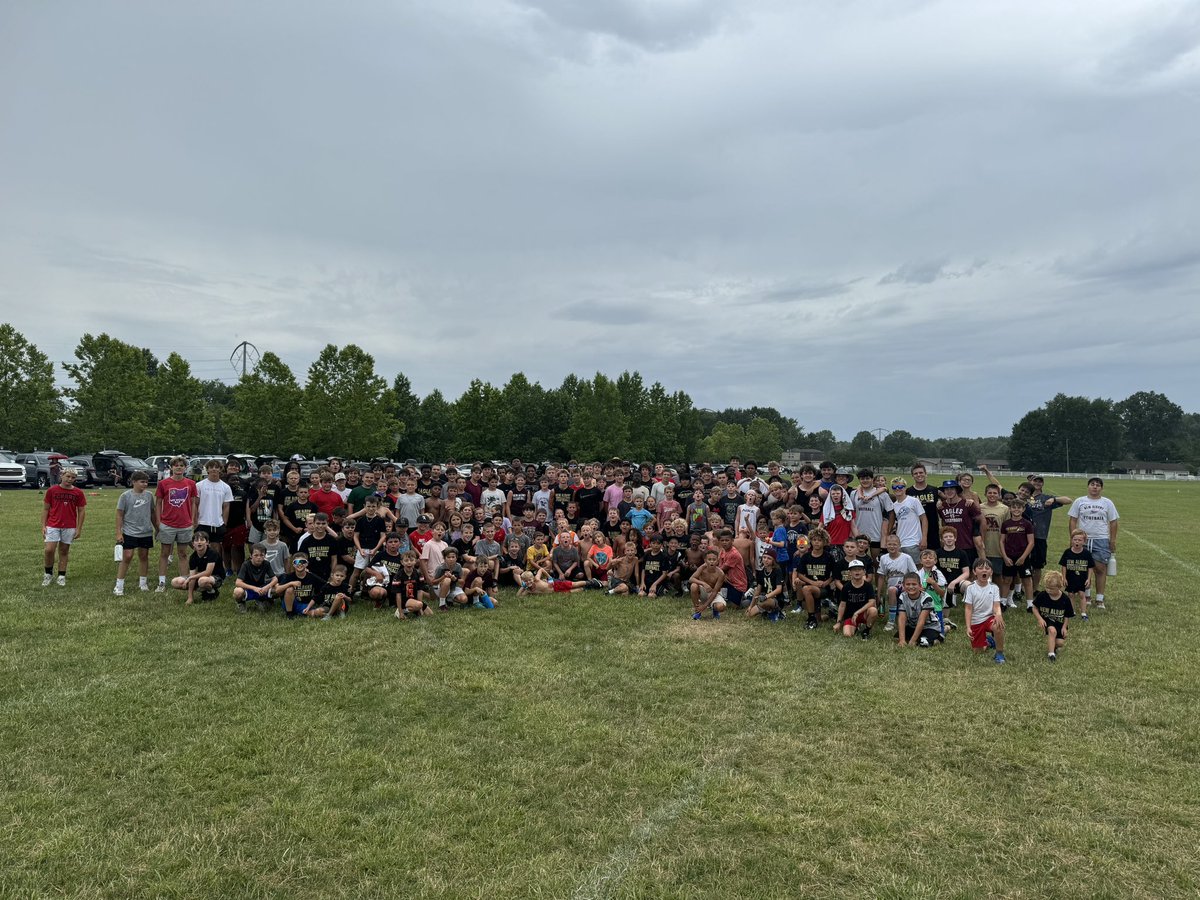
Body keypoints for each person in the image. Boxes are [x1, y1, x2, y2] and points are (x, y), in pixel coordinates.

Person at [1068, 477, 1119, 610]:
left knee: (1100, 569)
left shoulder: (1107, 502)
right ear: (1088, 487)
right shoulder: (1080, 501)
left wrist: (1112, 540)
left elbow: (1113, 522)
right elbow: (1073, 519)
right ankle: (1087, 597)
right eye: (1092, 484)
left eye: (1098, 485)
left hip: (1101, 539)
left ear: (1101, 488)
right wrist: (1073, 537)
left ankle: (1100, 599)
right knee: (1083, 568)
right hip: (1083, 539)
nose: (1095, 487)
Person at [155, 456, 198, 591]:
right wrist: (158, 522)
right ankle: (161, 582)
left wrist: (193, 520)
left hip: (184, 524)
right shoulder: (163, 483)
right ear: (171, 467)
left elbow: (193, 503)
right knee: (165, 553)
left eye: (181, 465)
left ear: (185, 468)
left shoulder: (191, 483)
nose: (178, 467)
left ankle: (184, 580)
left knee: (183, 553)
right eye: (176, 465)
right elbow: (158, 503)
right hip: (167, 523)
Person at [41, 467, 87, 587]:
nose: (70, 479)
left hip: (69, 525)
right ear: (61, 476)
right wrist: (43, 526)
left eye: (73, 477)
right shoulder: (52, 490)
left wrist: (79, 528)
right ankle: (48, 574)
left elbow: (81, 511)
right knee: (49, 550)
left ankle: (61, 576)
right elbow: (46, 509)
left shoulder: (78, 492)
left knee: (64, 550)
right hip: (53, 524)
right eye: (68, 476)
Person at [114, 470, 157, 595]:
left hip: (146, 531)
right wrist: (118, 532)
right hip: (129, 531)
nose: (145, 484)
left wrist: (157, 528)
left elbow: (153, 513)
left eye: (146, 482)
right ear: (134, 482)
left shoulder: (149, 496)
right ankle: (119, 585)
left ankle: (143, 583)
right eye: (142, 482)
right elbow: (119, 515)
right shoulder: (125, 496)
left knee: (144, 556)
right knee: (127, 556)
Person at [963, 559, 1006, 664]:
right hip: (976, 621)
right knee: (978, 652)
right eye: (980, 568)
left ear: (991, 572)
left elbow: (996, 606)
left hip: (988, 618)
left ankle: (999, 654)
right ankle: (990, 642)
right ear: (974, 572)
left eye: (987, 568)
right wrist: (968, 626)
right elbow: (968, 609)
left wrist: (998, 615)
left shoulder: (994, 587)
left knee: (998, 626)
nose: (984, 571)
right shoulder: (970, 588)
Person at [999, 497, 1034, 610]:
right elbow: (1001, 541)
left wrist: (1023, 557)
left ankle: (1030, 604)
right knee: (1007, 580)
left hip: (1023, 556)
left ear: (1023, 509)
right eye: (1014, 507)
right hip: (1009, 556)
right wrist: (1004, 557)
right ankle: (1003, 602)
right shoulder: (1006, 524)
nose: (1016, 509)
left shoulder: (1027, 524)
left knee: (1027, 579)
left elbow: (1031, 542)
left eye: (1019, 507)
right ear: (1010, 509)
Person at [878, 533, 919, 632]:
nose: (892, 546)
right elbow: (881, 576)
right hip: (892, 589)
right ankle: (892, 621)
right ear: (886, 545)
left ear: (899, 546)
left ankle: (901, 619)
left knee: (893, 590)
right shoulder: (884, 558)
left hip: (907, 587)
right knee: (891, 589)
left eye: (895, 544)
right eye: (889, 544)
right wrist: (879, 593)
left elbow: (915, 574)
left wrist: (909, 585)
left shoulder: (906, 558)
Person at [172, 531, 223, 605]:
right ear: (193, 544)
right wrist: (190, 597)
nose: (199, 542)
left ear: (207, 542)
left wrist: (190, 578)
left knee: (202, 581)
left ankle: (212, 591)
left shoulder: (212, 553)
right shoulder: (193, 557)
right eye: (196, 540)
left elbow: (208, 572)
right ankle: (203, 590)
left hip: (216, 577)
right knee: (175, 582)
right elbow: (192, 576)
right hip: (199, 576)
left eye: (202, 540)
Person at [1032, 571, 1074, 662]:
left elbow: (1067, 615)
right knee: (1052, 630)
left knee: (1060, 643)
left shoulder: (1065, 599)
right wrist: (1040, 619)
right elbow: (1034, 608)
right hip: (1047, 620)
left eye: (1051, 588)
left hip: (1059, 622)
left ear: (1059, 587)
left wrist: (1064, 627)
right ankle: (1051, 655)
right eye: (1047, 587)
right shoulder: (1042, 595)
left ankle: (1053, 647)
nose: (1048, 590)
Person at [833, 558, 877, 638]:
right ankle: (856, 626)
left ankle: (866, 630)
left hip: (863, 614)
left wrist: (857, 612)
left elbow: (872, 602)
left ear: (864, 572)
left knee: (873, 610)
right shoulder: (846, 587)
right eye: (854, 570)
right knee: (847, 635)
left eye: (859, 569)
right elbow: (842, 605)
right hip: (850, 615)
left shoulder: (868, 586)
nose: (857, 571)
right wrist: (838, 622)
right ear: (850, 573)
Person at [896, 572, 942, 648]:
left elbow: (922, 621)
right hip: (913, 625)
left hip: (930, 626)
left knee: (922, 643)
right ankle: (916, 637)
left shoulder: (927, 599)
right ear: (903, 586)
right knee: (897, 638)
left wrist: (913, 640)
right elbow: (902, 619)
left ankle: (941, 636)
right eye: (908, 584)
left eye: (914, 584)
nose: (911, 587)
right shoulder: (902, 596)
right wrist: (902, 640)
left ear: (920, 585)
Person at [1059, 529, 1096, 620]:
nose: (1077, 542)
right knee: (1071, 594)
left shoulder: (1086, 554)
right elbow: (1064, 566)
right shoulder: (1067, 552)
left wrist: (1088, 579)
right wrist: (1064, 578)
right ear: (1072, 540)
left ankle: (1083, 613)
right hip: (1070, 578)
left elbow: (1090, 567)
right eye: (1075, 539)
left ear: (1084, 541)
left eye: (1079, 540)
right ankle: (1072, 612)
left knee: (1082, 594)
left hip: (1081, 578)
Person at [889, 477, 927, 564]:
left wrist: (924, 538)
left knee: (918, 567)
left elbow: (924, 519)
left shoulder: (913, 501)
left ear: (905, 488)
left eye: (900, 487)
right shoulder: (894, 505)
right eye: (894, 487)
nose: (897, 489)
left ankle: (926, 578)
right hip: (900, 543)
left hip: (914, 542)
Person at [196, 459, 234, 546]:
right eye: (211, 467)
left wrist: (224, 523)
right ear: (207, 469)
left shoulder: (226, 487)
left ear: (220, 469)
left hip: (218, 523)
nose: (214, 469)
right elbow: (195, 504)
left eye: (216, 467)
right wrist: (195, 521)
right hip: (202, 522)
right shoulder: (199, 485)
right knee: (201, 548)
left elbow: (226, 506)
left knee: (216, 548)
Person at [233, 542, 279, 613]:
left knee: (278, 587)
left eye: (261, 555)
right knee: (238, 591)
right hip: (249, 589)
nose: (259, 557)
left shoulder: (266, 564)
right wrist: (254, 588)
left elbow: (275, 579)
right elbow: (238, 582)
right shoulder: (246, 565)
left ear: (265, 556)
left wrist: (267, 587)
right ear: (251, 555)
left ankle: (266, 600)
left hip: (262, 589)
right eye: (256, 555)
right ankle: (241, 603)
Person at [746, 550, 786, 621]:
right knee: (749, 614)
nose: (766, 560)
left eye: (769, 558)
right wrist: (751, 606)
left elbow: (779, 589)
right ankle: (767, 612)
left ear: (773, 560)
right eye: (764, 557)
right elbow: (758, 590)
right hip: (764, 598)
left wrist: (766, 597)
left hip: (776, 599)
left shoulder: (777, 570)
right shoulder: (761, 572)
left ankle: (777, 613)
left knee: (764, 603)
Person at [689, 549, 726, 620]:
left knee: (721, 607)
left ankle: (715, 610)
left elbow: (715, 591)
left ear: (717, 561)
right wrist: (703, 583)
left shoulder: (720, 573)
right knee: (694, 586)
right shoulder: (702, 568)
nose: (711, 561)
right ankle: (697, 611)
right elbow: (691, 579)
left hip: (714, 593)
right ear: (705, 560)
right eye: (709, 559)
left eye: (714, 559)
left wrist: (705, 606)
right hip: (703, 592)